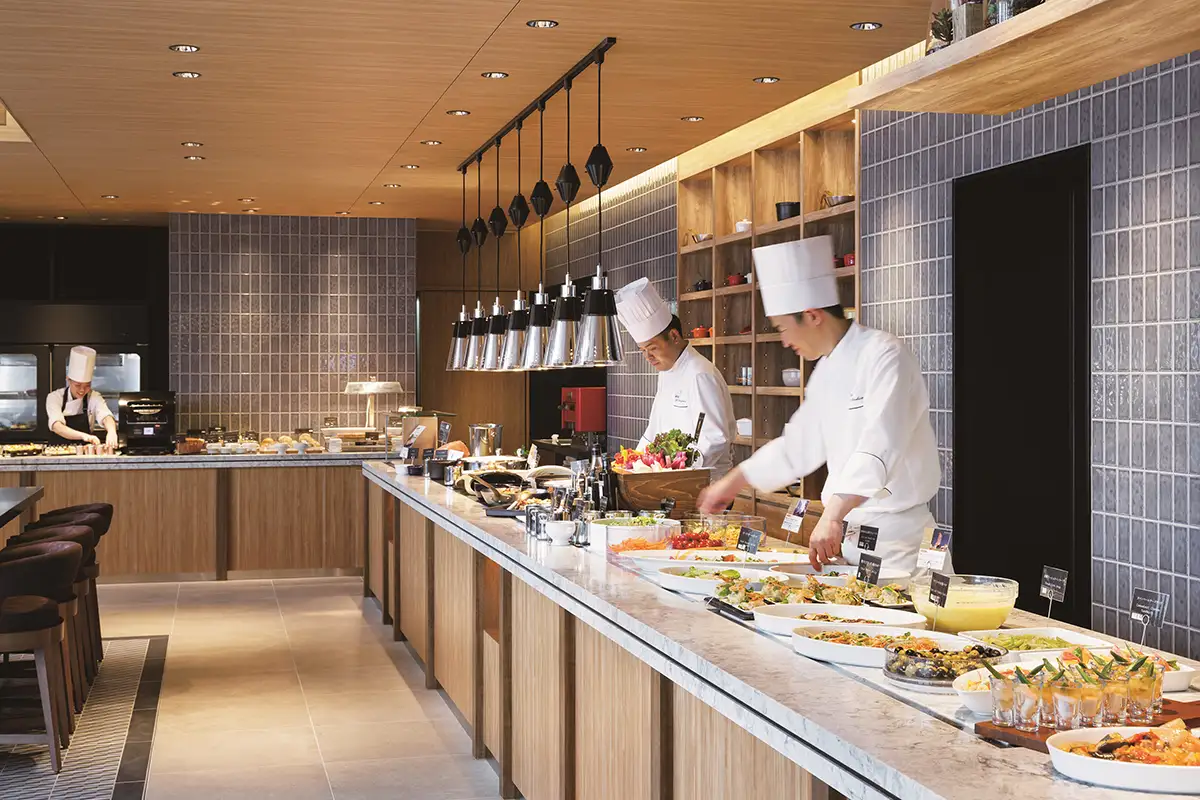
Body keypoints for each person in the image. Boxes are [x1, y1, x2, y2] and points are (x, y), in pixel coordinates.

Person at [697, 237, 943, 575]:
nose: (785, 341)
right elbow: (798, 445)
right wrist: (734, 481)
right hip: (849, 540)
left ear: (812, 315)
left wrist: (833, 514)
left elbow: (881, 443)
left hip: (900, 544)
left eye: (783, 328)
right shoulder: (826, 371)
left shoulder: (885, 355)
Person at [614, 278, 736, 479]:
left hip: (705, 484)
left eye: (652, 348)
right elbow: (653, 432)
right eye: (643, 350)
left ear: (674, 336)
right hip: (672, 480)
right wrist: (631, 466)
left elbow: (714, 439)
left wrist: (678, 472)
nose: (648, 357)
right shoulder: (666, 372)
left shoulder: (700, 374)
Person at [46, 346, 118, 448]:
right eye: (78, 385)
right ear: (68, 380)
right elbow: (57, 426)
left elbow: (106, 416)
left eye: (87, 386)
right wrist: (84, 436)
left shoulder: (93, 396)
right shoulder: (55, 397)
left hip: (85, 451)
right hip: (58, 451)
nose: (82, 390)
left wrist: (111, 431)